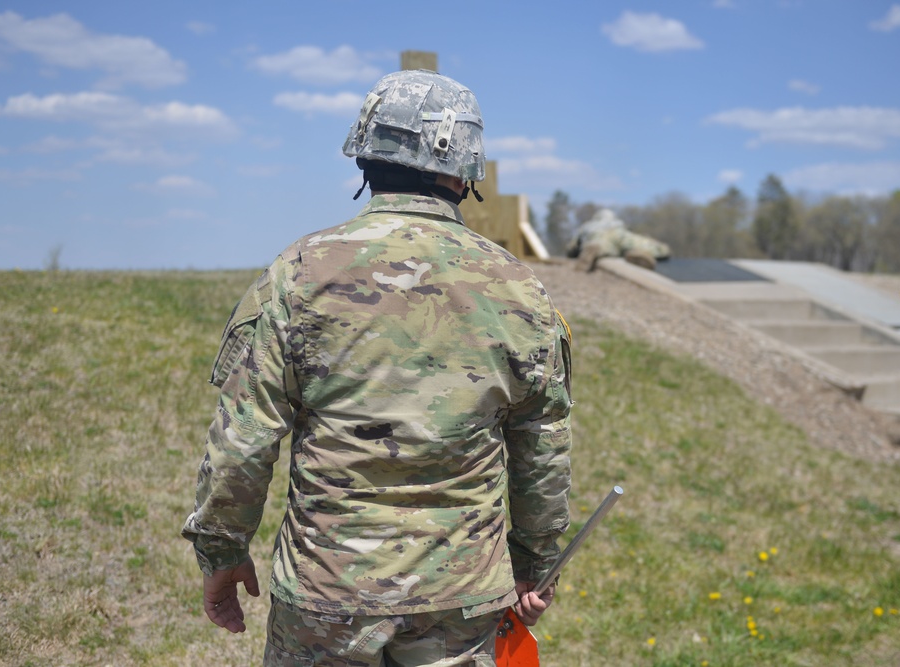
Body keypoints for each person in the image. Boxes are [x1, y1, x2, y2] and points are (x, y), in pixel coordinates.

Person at [181, 69, 573, 667]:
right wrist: (534, 565)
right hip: (461, 598)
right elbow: (542, 447)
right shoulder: (519, 289)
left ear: (366, 157)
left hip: (327, 594)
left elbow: (245, 436)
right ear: (463, 171)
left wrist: (222, 549)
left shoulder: (300, 272)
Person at [567, 208, 671, 272]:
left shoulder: (587, 226)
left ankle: (596, 249)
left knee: (601, 246)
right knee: (639, 245)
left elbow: (571, 248)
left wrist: (574, 251)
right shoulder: (618, 226)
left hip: (593, 237)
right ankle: (640, 252)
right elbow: (632, 238)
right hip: (617, 234)